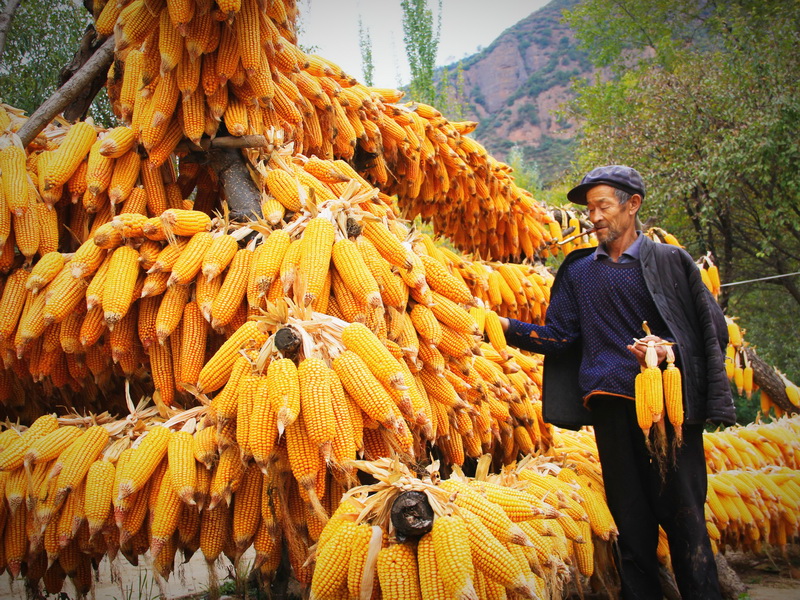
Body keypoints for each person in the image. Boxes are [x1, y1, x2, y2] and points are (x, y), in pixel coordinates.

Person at [499, 165, 736, 599]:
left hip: (668, 411)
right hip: (610, 408)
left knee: (685, 522)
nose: (594, 217)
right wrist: (499, 325)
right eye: (590, 209)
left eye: (603, 206)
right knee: (631, 526)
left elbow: (711, 330)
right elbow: (559, 337)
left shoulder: (669, 262)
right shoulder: (577, 271)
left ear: (633, 205)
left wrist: (668, 350)